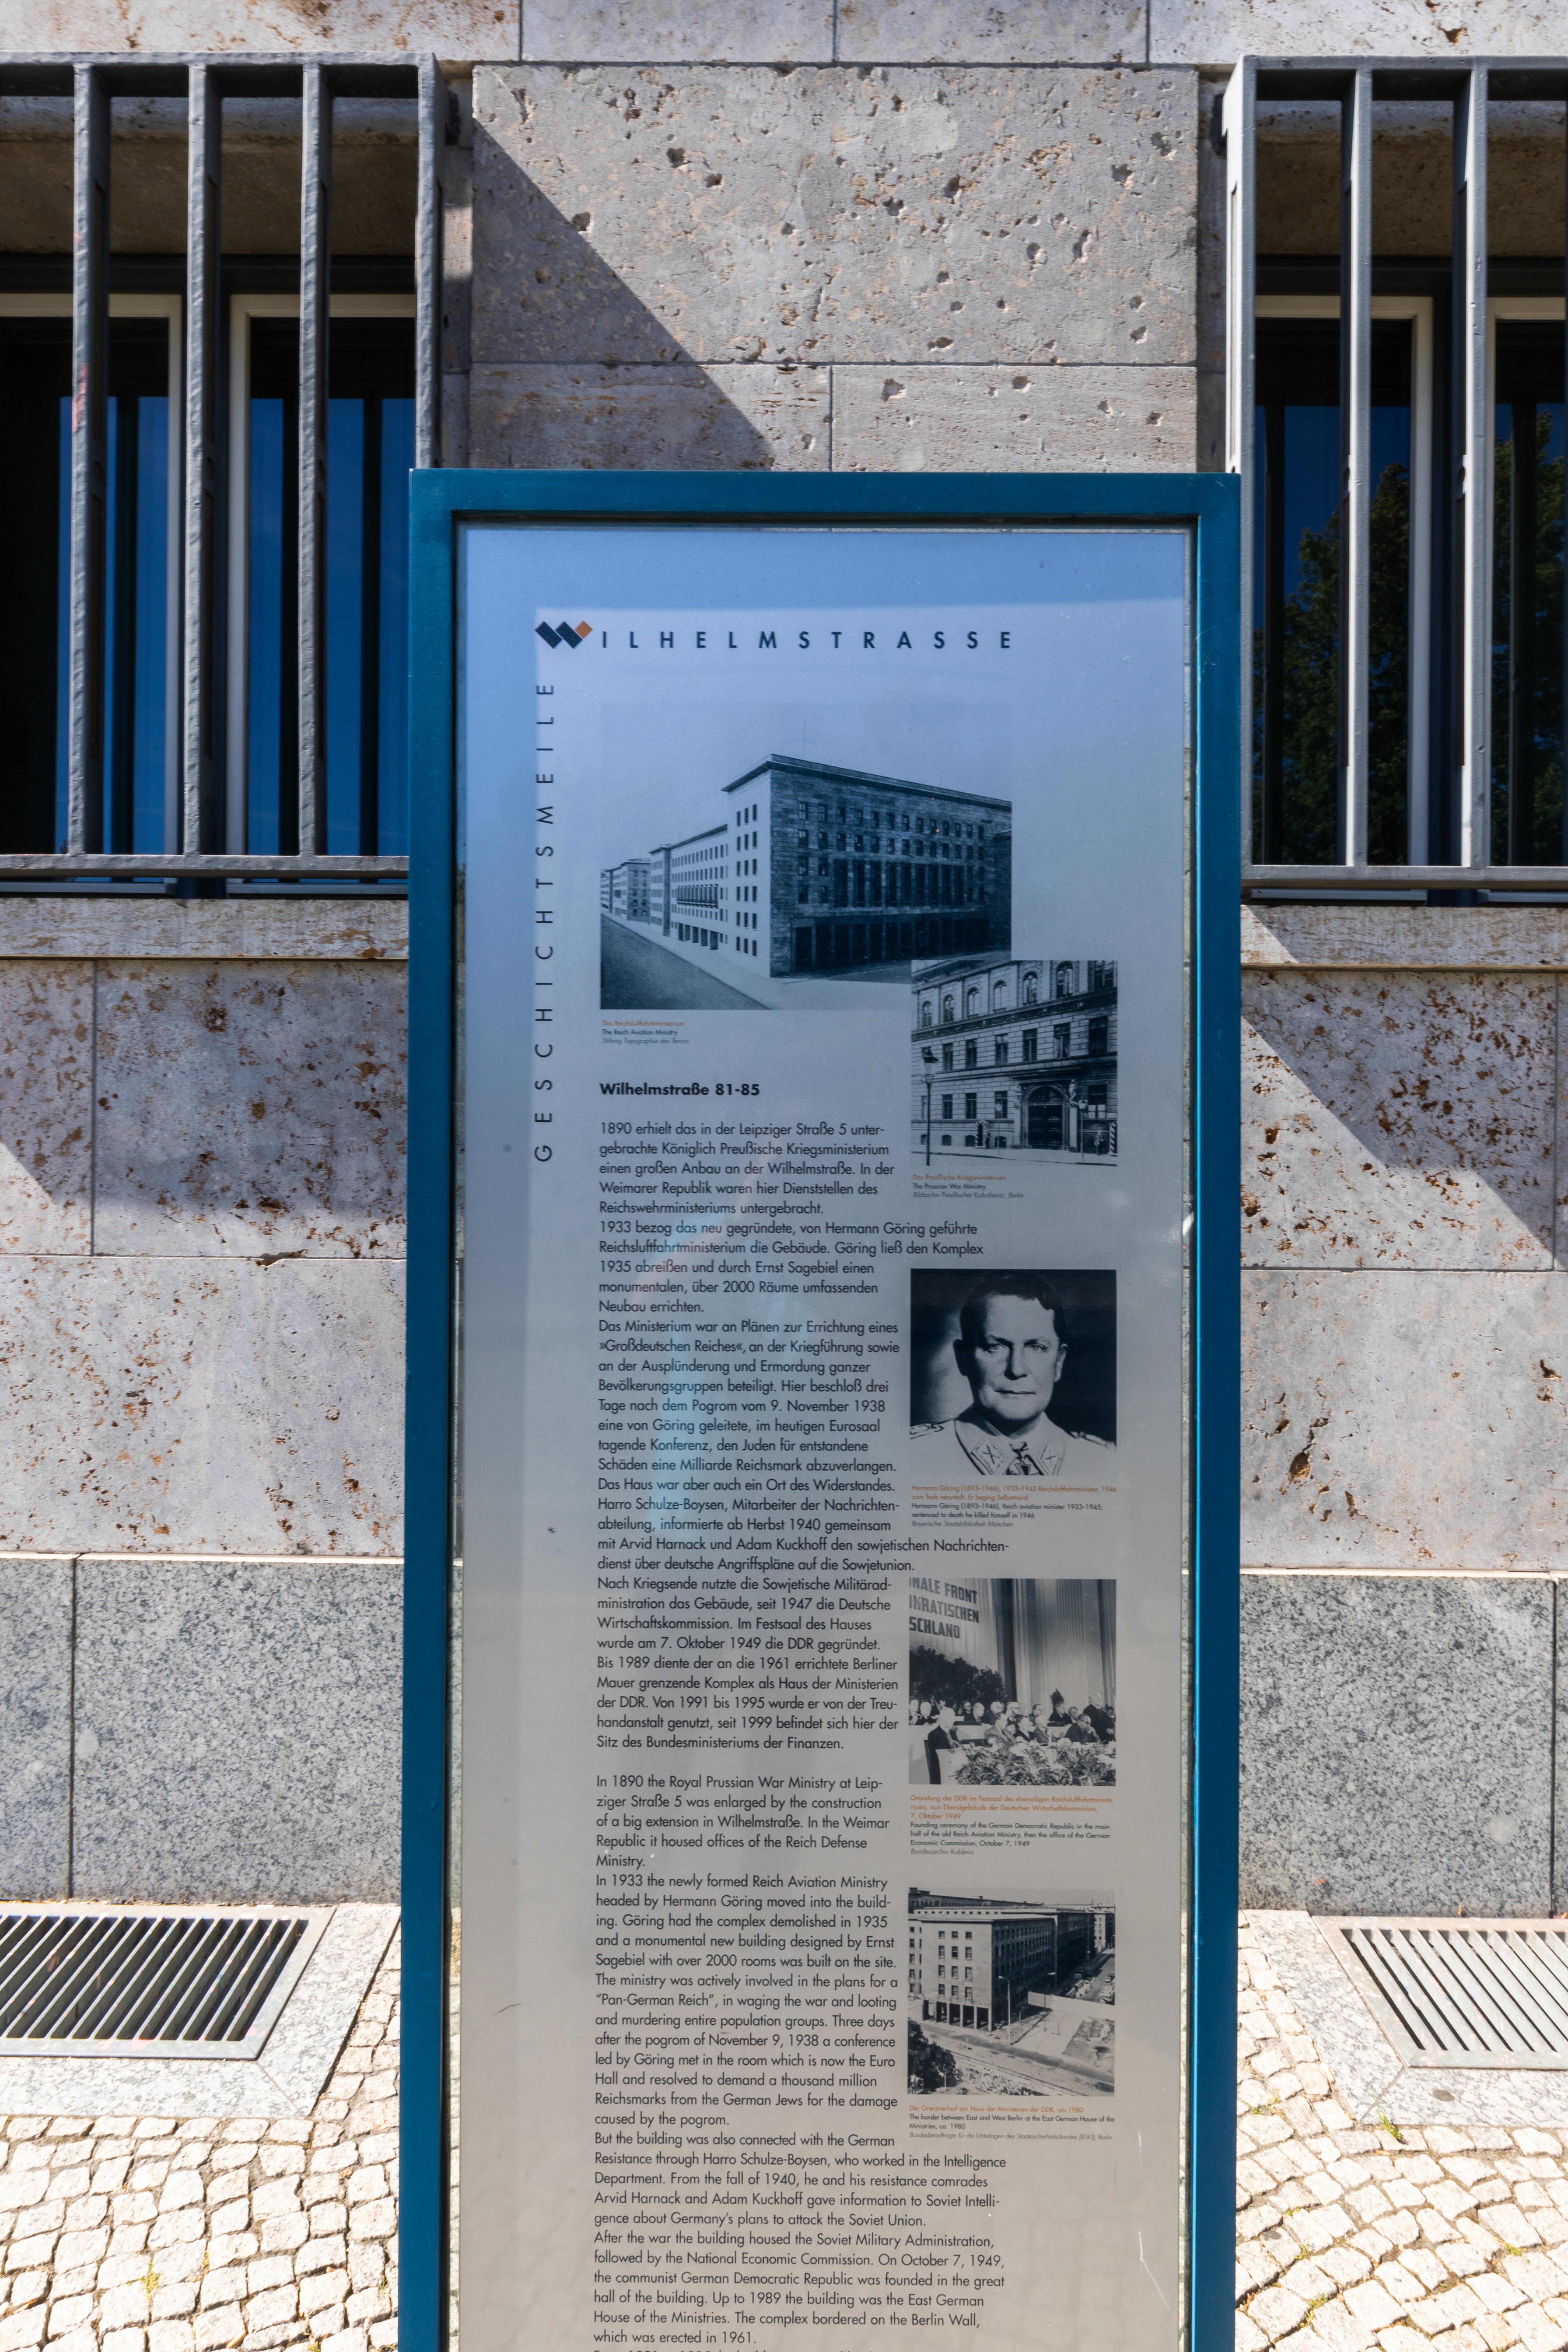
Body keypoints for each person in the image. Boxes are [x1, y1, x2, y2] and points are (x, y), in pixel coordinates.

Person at [911, 1272, 1116, 1478]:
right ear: (963, 1359)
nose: (1017, 1370)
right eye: (995, 1347)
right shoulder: (914, 1456)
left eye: (1036, 1347)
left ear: (1059, 1362)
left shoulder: (1103, 1462)